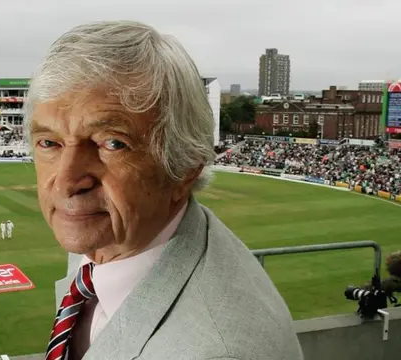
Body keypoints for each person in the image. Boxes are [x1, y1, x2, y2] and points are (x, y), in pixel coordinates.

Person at [25, 21, 303, 360]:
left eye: (113, 143)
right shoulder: (105, 233)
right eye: (49, 142)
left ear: (185, 168)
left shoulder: (216, 350)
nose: (67, 182)